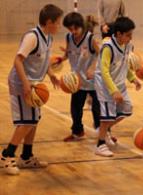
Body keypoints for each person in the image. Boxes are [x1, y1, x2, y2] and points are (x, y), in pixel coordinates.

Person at [1, 4, 63, 175]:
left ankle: (26, 156)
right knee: (26, 122)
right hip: (21, 84)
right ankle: (7, 155)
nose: (59, 26)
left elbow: (44, 62)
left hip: (35, 84)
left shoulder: (49, 37)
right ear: (49, 22)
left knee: (33, 121)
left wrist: (51, 75)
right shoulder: (32, 37)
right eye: (58, 23)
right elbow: (17, 61)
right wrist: (26, 84)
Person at [94, 17, 141, 157]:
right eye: (128, 35)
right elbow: (104, 71)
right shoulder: (108, 47)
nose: (130, 37)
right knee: (107, 117)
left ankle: (104, 130)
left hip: (119, 84)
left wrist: (133, 79)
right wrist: (113, 90)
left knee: (127, 109)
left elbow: (124, 65)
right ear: (118, 34)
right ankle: (100, 145)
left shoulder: (127, 46)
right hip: (105, 85)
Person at [61, 12, 101, 142]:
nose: (73, 31)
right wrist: (60, 59)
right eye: (70, 29)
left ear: (81, 26)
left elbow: (102, 55)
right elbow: (68, 54)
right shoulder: (69, 37)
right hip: (77, 80)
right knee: (75, 109)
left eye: (75, 28)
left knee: (98, 109)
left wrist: (93, 67)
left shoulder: (90, 39)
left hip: (93, 80)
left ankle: (104, 133)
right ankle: (77, 132)